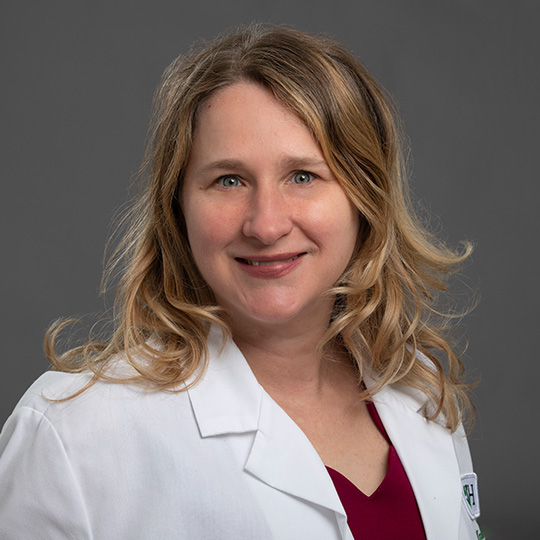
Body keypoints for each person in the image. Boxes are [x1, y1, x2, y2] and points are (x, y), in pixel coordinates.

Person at [0, 24, 483, 539]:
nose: (266, 224)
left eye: (303, 176)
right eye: (228, 180)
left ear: (365, 199)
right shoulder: (74, 432)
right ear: (178, 207)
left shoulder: (419, 390)